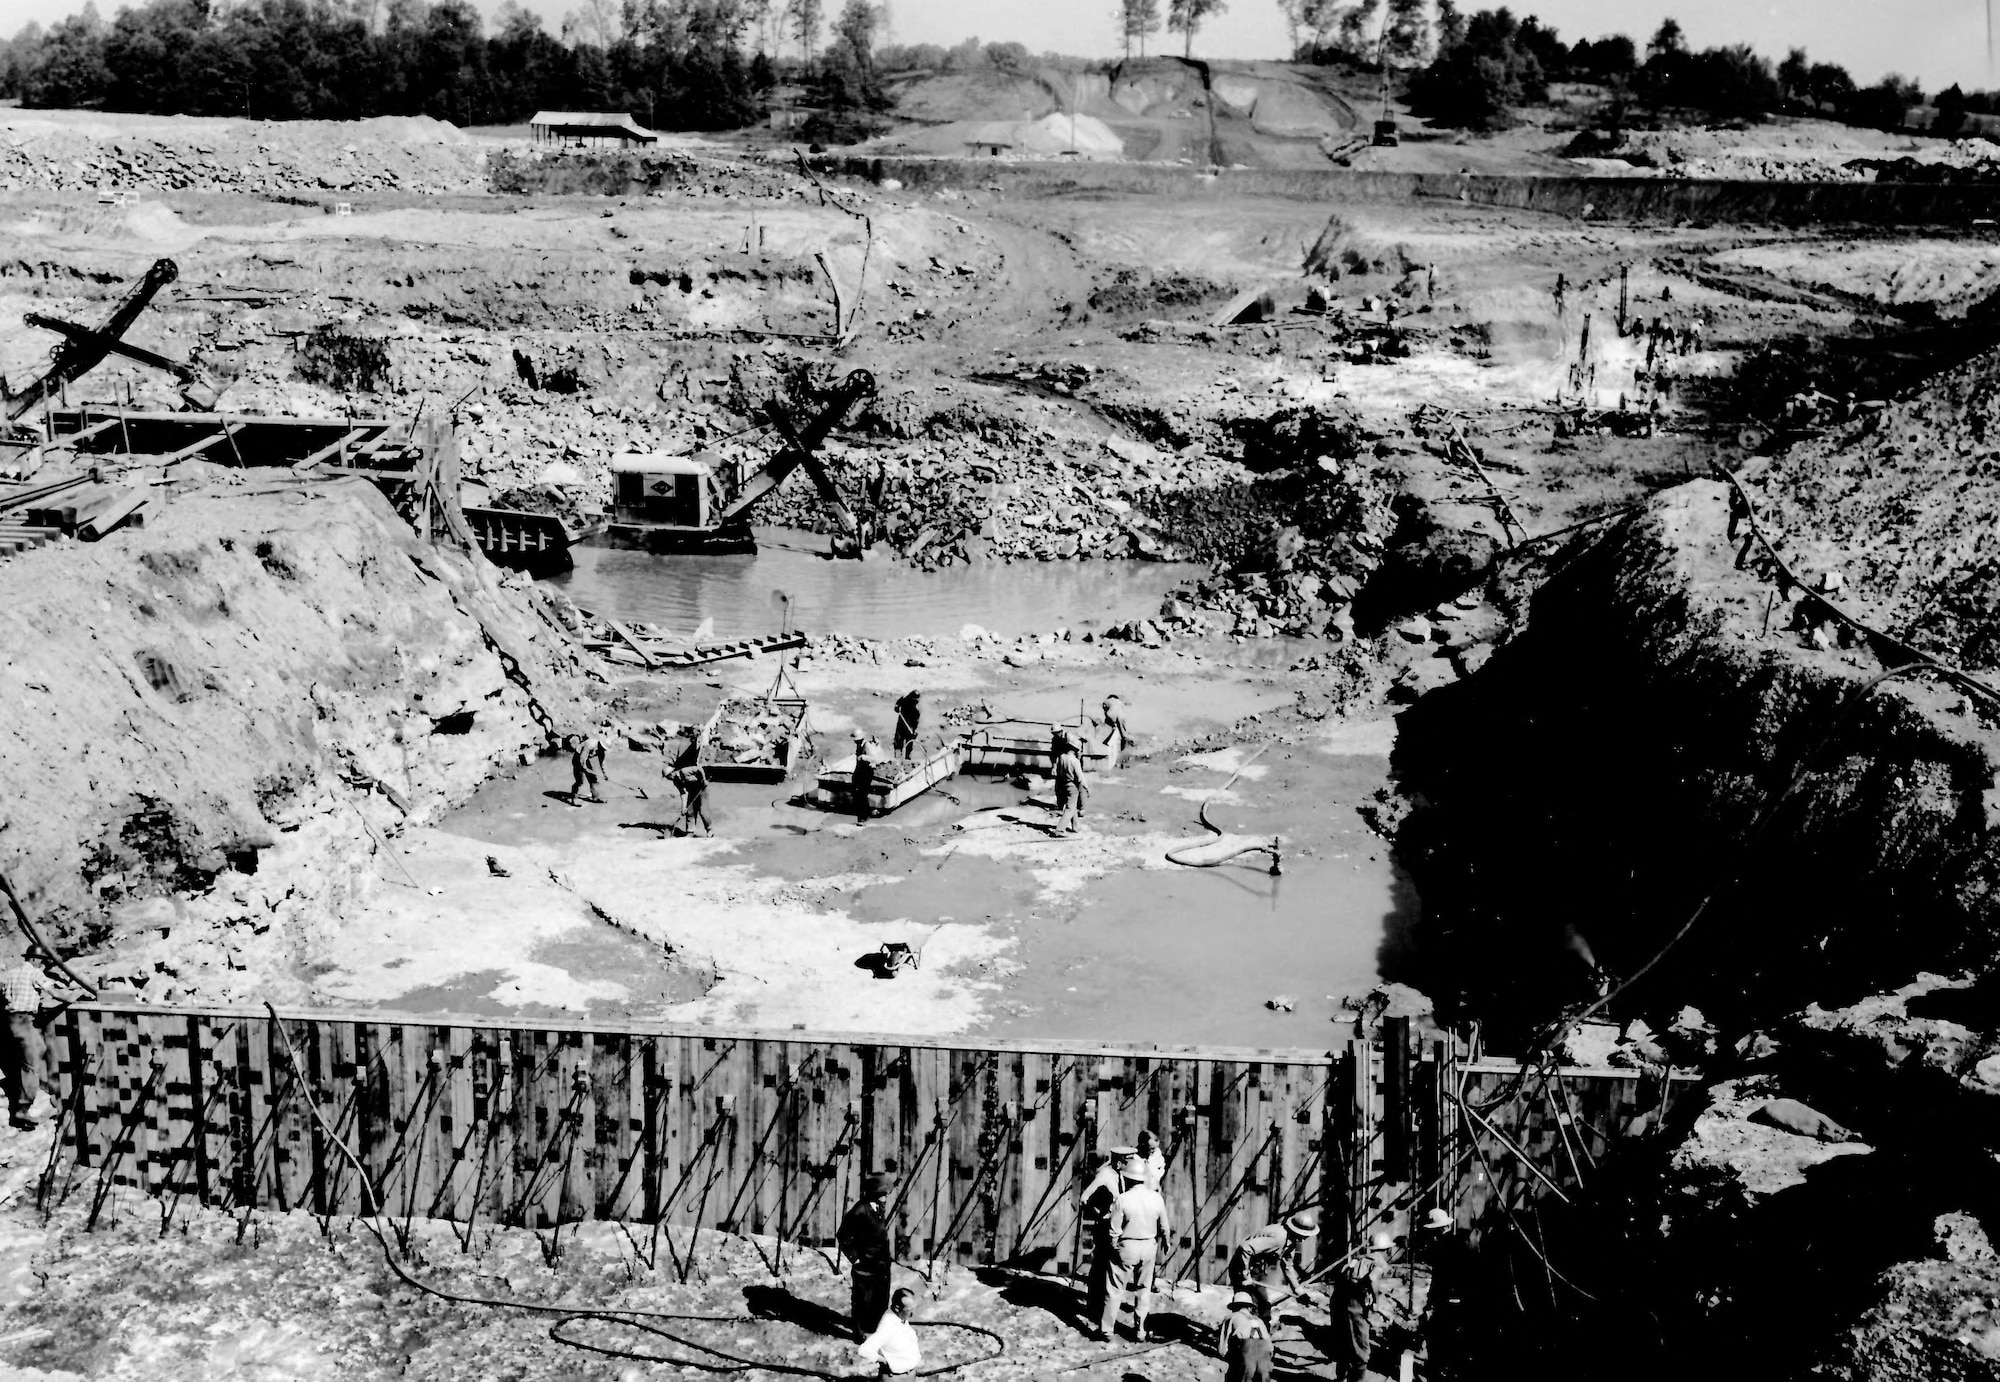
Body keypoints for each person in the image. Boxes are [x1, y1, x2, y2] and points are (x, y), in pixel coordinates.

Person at [1097, 1154, 1170, 1341]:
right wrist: (1166, 1242)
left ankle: (1107, 1329)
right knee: (1143, 1290)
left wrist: (1114, 1247)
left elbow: (1114, 1229)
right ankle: (1140, 1331)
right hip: (1148, 1246)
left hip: (1127, 1246)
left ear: (1127, 1178)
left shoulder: (1123, 1199)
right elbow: (1164, 1227)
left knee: (1114, 1289)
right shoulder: (1156, 1199)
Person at [0, 949, 63, 1130]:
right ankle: (22, 1109)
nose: (42, 965)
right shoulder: (34, 973)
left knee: (40, 1047)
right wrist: (70, 997)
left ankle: (27, 1086)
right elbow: (55, 993)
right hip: (24, 1021)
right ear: (34, 959)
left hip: (10, 1021)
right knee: (31, 1065)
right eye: (41, 961)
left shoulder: (10, 974)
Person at [1078, 1146, 1135, 1330]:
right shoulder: (1104, 1176)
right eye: (1127, 1161)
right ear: (1119, 1161)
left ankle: (1098, 1307)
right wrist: (1100, 1215)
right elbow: (1084, 1198)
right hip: (1104, 1227)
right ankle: (1094, 1308)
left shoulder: (1118, 1174)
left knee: (1106, 1268)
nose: (1129, 1164)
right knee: (1100, 1267)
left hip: (1114, 1226)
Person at [837, 1172, 896, 1340]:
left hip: (881, 1263)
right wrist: (855, 1259)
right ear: (876, 1193)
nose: (886, 1196)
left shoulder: (879, 1208)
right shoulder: (860, 1211)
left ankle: (875, 1327)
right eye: (884, 1193)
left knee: (880, 1298)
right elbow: (843, 1236)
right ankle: (859, 1331)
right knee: (862, 1299)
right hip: (865, 1265)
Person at [1328, 1234, 1387, 1382]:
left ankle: (1341, 1378)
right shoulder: (1379, 1261)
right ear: (1386, 1249)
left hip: (1339, 1302)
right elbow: (1373, 1278)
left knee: (1345, 1344)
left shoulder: (1357, 1259)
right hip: (1355, 1306)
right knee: (1361, 1350)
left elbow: (1341, 1274)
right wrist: (1375, 1300)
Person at [1228, 1209, 1319, 1305]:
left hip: (1257, 1269)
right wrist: (1245, 1276)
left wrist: (1298, 1290)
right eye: (1304, 1235)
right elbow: (1246, 1247)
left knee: (1263, 1307)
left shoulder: (1290, 1240)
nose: (1304, 1239)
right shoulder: (1278, 1239)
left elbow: (1288, 1266)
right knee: (1245, 1303)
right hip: (1241, 1267)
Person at [857, 1286, 922, 1375]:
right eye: (909, 1310)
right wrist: (886, 1362)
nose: (912, 1314)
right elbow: (864, 1350)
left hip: (909, 1373)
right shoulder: (887, 1327)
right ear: (897, 1308)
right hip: (897, 1377)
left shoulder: (899, 1316)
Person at [1218, 1290, 1275, 1382]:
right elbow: (1269, 1345)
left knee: (1239, 1377)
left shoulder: (1231, 1318)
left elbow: (1223, 1346)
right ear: (1249, 1307)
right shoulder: (1259, 1321)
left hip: (1245, 1350)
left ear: (1234, 1306)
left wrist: (1225, 1355)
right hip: (1264, 1352)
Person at [1052, 731, 1087, 836]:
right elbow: (1080, 777)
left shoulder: (1061, 757)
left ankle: (1076, 826)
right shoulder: (1075, 761)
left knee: (1072, 806)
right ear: (1076, 749)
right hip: (1073, 787)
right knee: (1070, 808)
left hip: (1063, 785)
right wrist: (1087, 787)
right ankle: (1059, 830)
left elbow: (1058, 773)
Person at [567, 726, 607, 806]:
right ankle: (573, 798)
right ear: (600, 744)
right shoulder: (590, 744)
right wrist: (585, 768)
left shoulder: (601, 750)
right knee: (580, 781)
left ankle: (596, 797)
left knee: (593, 779)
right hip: (578, 758)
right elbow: (582, 758)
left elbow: (602, 763)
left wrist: (605, 774)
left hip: (585, 758)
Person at [1099, 695, 1130, 770]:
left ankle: (1112, 763)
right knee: (1123, 737)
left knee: (1110, 740)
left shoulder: (1107, 701)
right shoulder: (1120, 702)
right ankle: (1123, 760)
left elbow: (1105, 712)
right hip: (1122, 717)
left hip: (1112, 718)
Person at [852, 734, 878, 821]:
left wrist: (863, 757)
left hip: (867, 772)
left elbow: (874, 758)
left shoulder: (867, 746)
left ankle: (864, 816)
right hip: (860, 771)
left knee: (863, 793)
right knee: (858, 793)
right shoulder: (859, 746)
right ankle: (865, 811)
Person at [893, 691, 922, 760]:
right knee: (898, 742)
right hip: (901, 724)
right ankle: (897, 759)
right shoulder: (904, 699)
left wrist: (914, 731)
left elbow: (916, 722)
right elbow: (896, 706)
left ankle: (908, 759)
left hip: (910, 727)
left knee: (909, 743)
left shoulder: (917, 710)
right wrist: (897, 708)